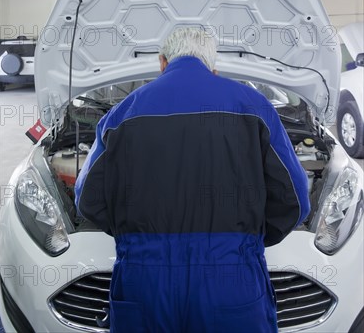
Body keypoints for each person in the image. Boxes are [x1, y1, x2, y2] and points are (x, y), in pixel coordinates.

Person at [75, 26, 310, 333]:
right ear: (213, 67)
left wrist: (133, 238)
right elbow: (294, 200)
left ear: (162, 62)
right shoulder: (255, 107)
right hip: (231, 280)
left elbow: (88, 200)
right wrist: (247, 242)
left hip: (144, 282)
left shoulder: (120, 115)